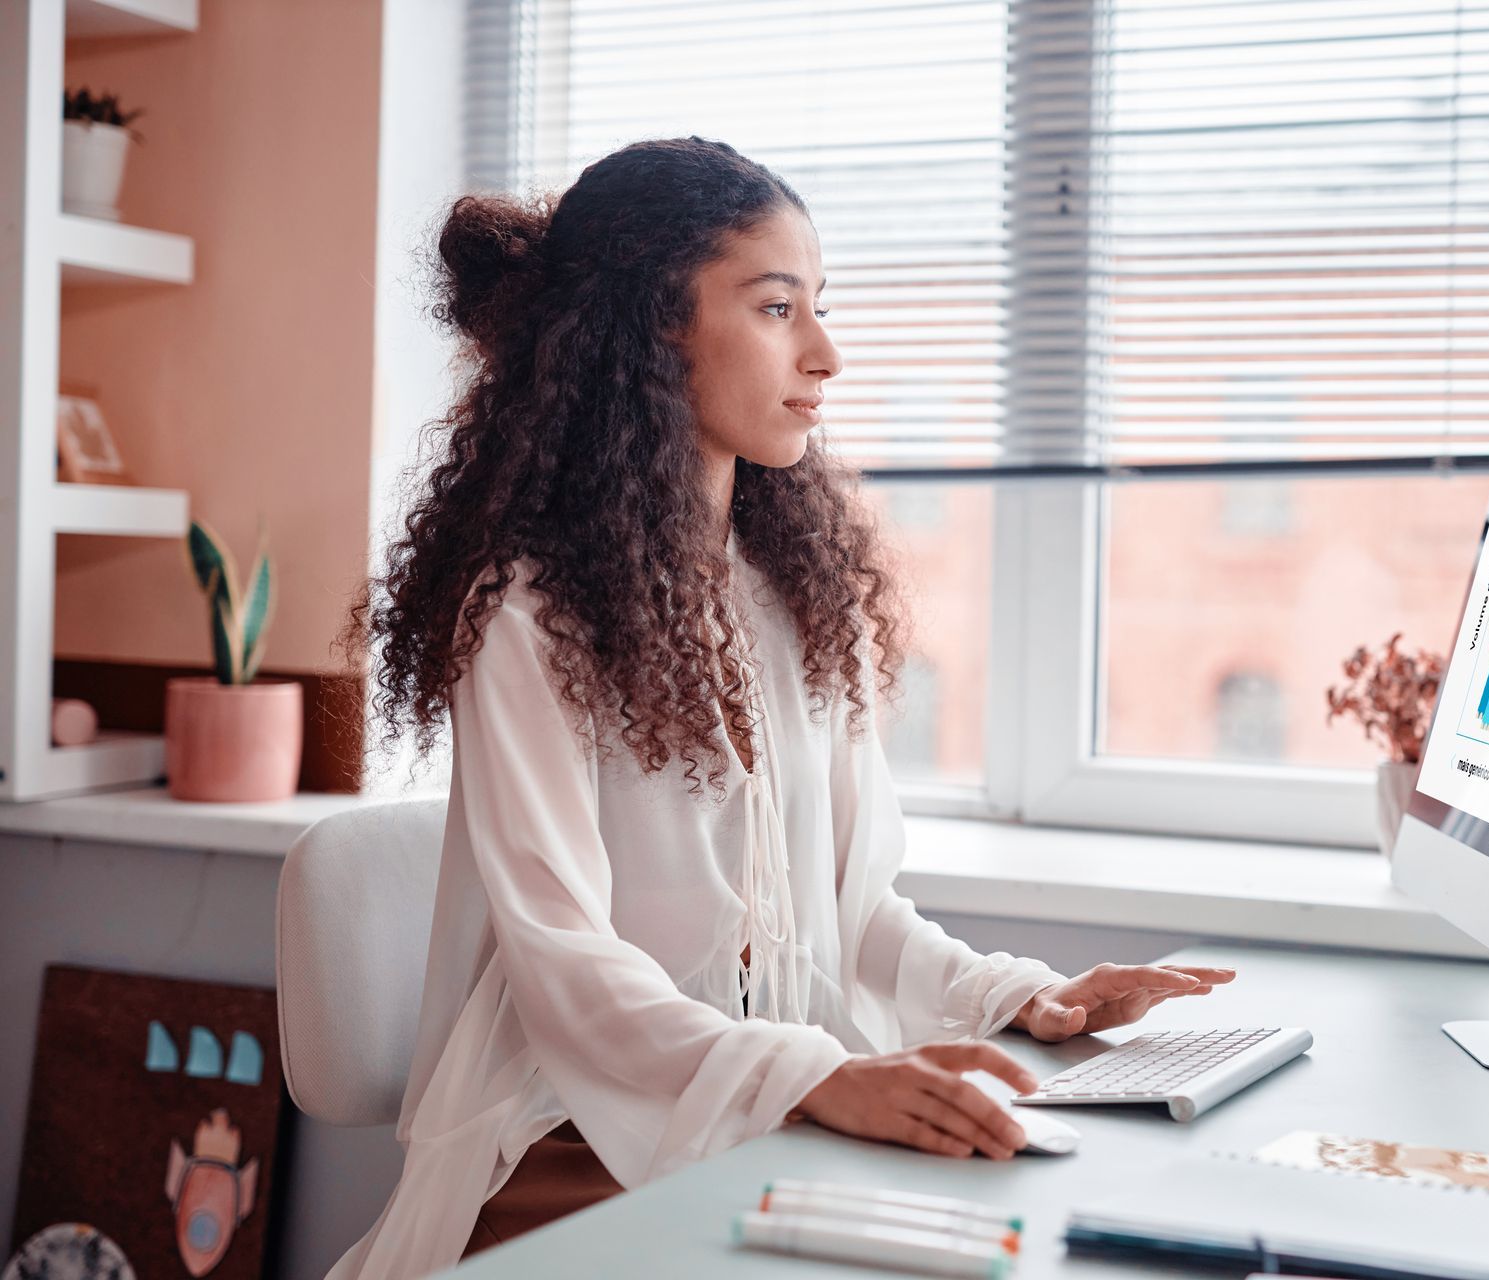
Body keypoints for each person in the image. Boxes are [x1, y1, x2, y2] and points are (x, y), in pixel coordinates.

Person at [331, 136, 1235, 1279]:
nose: (826, 353)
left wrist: (1029, 996)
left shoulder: (792, 597)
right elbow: (568, 972)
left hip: (761, 1111)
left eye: (819, 307)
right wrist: (816, 1077)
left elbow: (855, 915)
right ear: (656, 325)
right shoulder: (525, 613)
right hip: (564, 1131)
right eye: (775, 309)